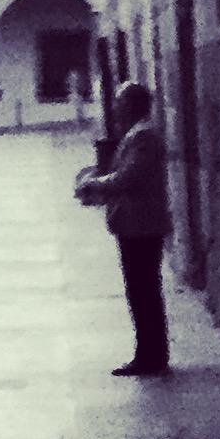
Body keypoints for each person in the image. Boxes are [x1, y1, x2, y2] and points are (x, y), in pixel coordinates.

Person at [75, 82, 172, 374]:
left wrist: (94, 184)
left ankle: (151, 356)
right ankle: (148, 353)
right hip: (135, 224)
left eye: (120, 102)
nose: (115, 108)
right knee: (141, 292)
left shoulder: (143, 137)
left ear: (132, 105)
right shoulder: (137, 134)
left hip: (141, 226)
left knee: (144, 292)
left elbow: (129, 177)